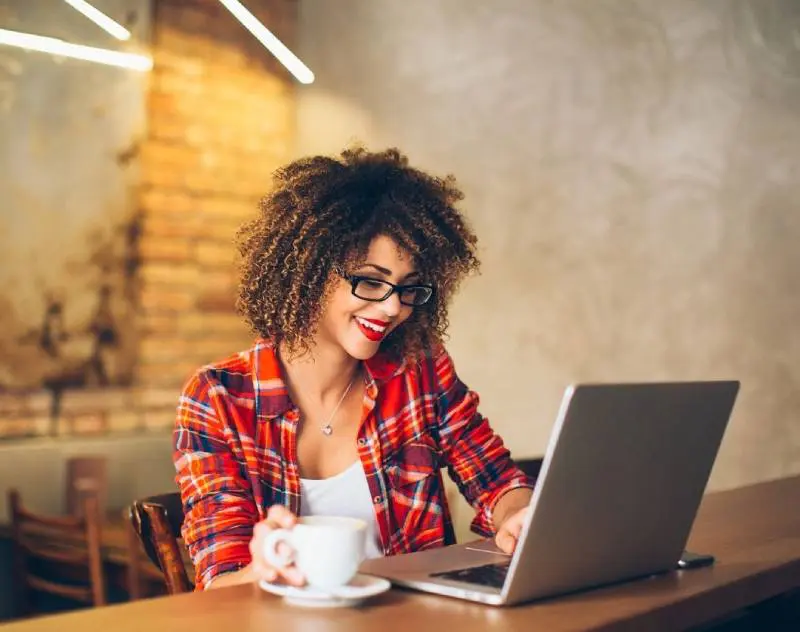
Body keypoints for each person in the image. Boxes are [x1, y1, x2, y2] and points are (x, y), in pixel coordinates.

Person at [173, 147, 534, 591]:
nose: (391, 308)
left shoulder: (419, 371)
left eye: (407, 288)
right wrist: (264, 570)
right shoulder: (219, 398)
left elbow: (497, 481)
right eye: (370, 280)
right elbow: (220, 585)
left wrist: (518, 514)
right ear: (309, 268)